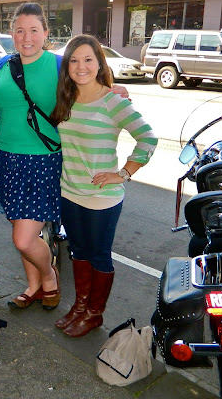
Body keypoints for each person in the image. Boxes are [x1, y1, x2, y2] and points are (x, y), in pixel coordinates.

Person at [50, 34, 158, 336]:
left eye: (88, 59)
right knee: (78, 251)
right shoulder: (66, 98)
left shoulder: (113, 101)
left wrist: (123, 173)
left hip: (101, 198)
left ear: (99, 64)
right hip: (69, 191)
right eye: (74, 60)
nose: (80, 66)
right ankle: (80, 306)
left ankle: (94, 313)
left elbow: (148, 138)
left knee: (98, 255)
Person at [0, 3, 63, 311]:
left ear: (46, 33)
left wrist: (116, 90)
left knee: (23, 238)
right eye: (20, 30)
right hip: (4, 157)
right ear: (12, 34)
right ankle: (33, 287)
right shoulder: (3, 64)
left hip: (41, 160)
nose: (26, 37)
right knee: (18, 224)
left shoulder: (59, 64)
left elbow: (92, 91)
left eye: (33, 30)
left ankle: (49, 276)